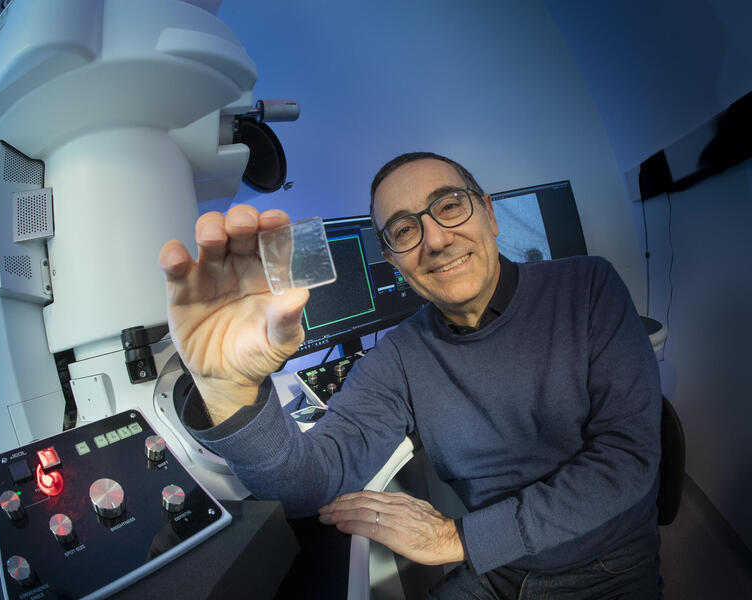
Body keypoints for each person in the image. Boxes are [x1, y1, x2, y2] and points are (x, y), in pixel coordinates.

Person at [159, 152, 663, 598]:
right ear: (393, 260)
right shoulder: (399, 356)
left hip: (607, 565)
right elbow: (308, 484)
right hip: (496, 572)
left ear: (489, 213)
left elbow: (627, 460)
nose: (437, 240)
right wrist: (231, 391)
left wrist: (456, 538)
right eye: (404, 230)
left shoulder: (589, 285)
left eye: (449, 206)